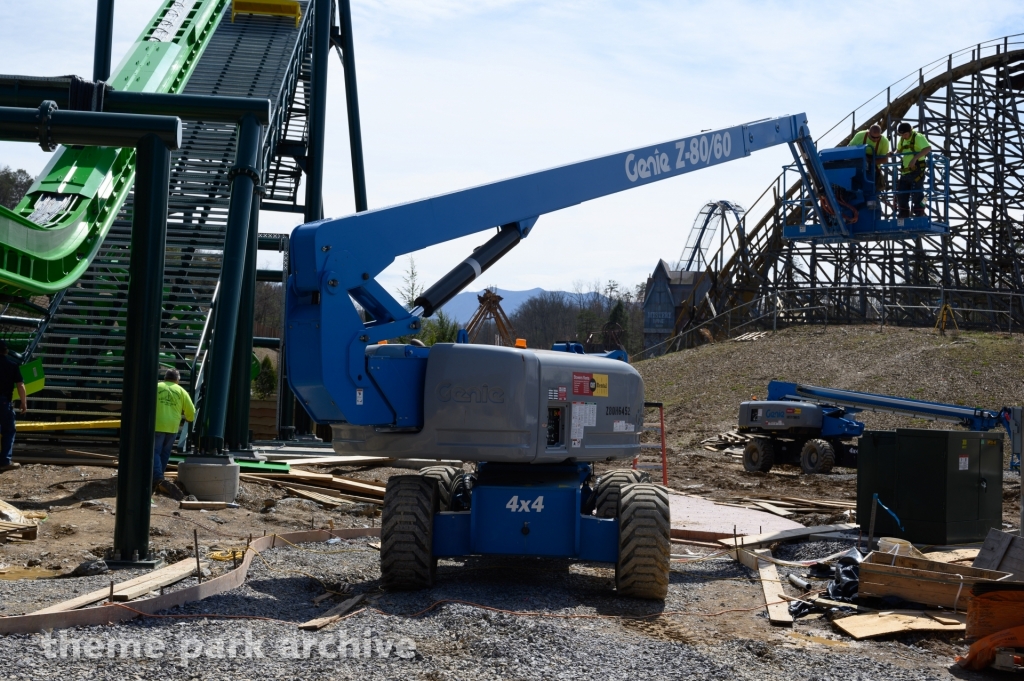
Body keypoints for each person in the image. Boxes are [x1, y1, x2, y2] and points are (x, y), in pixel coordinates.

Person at [153, 368, 194, 499]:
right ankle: (159, 477)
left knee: (154, 452)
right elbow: (191, 412)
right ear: (177, 380)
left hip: (156, 425)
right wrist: (188, 418)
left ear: (165, 377)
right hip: (172, 427)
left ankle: (158, 478)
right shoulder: (182, 391)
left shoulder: (156, 386)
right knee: (165, 453)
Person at [894, 122, 932, 218]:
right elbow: (899, 150)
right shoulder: (902, 139)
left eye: (905, 134)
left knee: (917, 194)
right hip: (905, 172)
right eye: (901, 135)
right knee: (901, 194)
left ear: (910, 131)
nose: (903, 136)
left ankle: (920, 211)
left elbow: (928, 148)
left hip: (917, 171)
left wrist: (915, 158)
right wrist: (892, 153)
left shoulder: (918, 137)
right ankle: (903, 212)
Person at [0, 341, 26, 473]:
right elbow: (20, 385)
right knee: (8, 431)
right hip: (4, 402)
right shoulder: (12, 365)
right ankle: (5, 461)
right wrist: (23, 402)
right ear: (6, 351)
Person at [849, 124, 890, 190]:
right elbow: (850, 150)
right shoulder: (860, 135)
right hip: (857, 167)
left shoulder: (884, 141)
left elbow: (884, 159)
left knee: (872, 190)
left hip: (873, 169)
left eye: (878, 137)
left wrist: (869, 162)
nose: (875, 139)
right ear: (868, 133)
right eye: (873, 137)